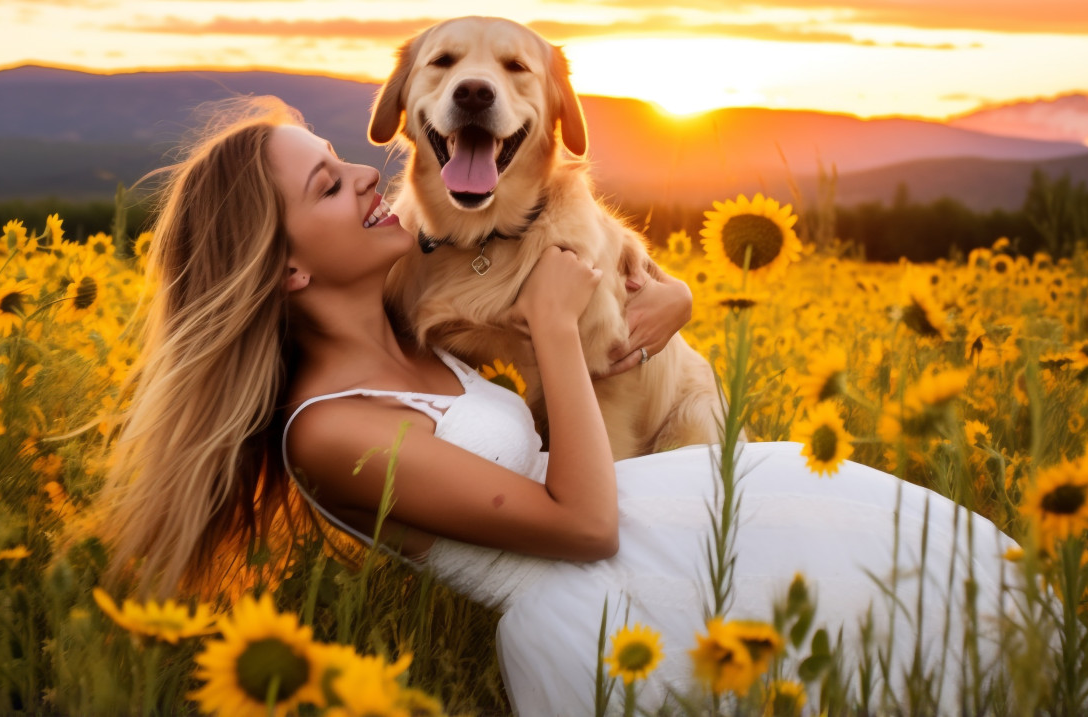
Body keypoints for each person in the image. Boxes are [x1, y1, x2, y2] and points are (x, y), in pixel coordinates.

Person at [90, 97, 1022, 715]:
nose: (372, 173)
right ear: (288, 266)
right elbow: (579, 522)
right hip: (608, 609)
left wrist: (679, 300)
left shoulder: (418, 320)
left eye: (343, 158)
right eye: (329, 185)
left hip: (678, 537)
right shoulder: (331, 430)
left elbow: (598, 270)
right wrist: (553, 328)